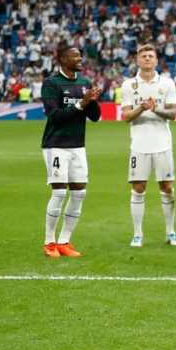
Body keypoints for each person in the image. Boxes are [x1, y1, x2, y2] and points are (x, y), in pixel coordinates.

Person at [41, 41, 101, 258]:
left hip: (78, 145)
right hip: (56, 144)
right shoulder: (51, 83)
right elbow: (55, 116)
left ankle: (64, 241)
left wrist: (92, 100)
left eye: (80, 56)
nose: (80, 59)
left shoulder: (84, 82)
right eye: (75, 56)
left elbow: (94, 117)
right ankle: (49, 243)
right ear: (63, 60)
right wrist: (80, 104)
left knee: (79, 193)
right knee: (58, 191)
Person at [119, 44, 176, 248]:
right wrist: (141, 108)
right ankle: (137, 234)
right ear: (138, 60)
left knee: (167, 187)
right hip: (139, 145)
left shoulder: (167, 83)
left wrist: (156, 109)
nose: (147, 59)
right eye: (143, 55)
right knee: (138, 188)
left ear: (156, 60)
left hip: (163, 144)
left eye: (150, 56)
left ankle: (171, 231)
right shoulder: (129, 85)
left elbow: (174, 113)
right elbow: (126, 116)